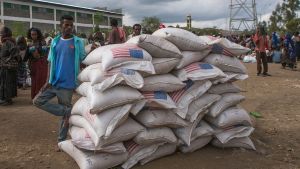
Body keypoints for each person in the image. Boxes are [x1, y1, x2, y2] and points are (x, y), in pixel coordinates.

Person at [33, 15, 86, 146]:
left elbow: (83, 59)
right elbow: (50, 62)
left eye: (71, 25)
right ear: (60, 26)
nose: (69, 27)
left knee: (65, 118)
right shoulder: (55, 41)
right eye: (66, 25)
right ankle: (67, 111)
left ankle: (61, 140)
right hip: (53, 82)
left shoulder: (77, 42)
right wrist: (47, 81)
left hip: (67, 85)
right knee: (37, 101)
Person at [26, 28, 49, 100]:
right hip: (33, 64)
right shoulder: (29, 44)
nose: (34, 36)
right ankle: (34, 97)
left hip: (41, 63)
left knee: (41, 80)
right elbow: (28, 56)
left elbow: (42, 54)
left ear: (38, 34)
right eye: (32, 34)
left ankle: (40, 98)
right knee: (34, 80)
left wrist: (33, 49)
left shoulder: (42, 42)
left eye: (35, 34)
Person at [0, 26, 20, 105]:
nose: (0, 34)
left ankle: (7, 100)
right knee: (3, 83)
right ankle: (4, 98)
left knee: (6, 83)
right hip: (4, 66)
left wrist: (8, 59)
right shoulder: (5, 43)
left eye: (2, 33)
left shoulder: (8, 42)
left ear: (6, 34)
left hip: (7, 67)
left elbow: (15, 52)